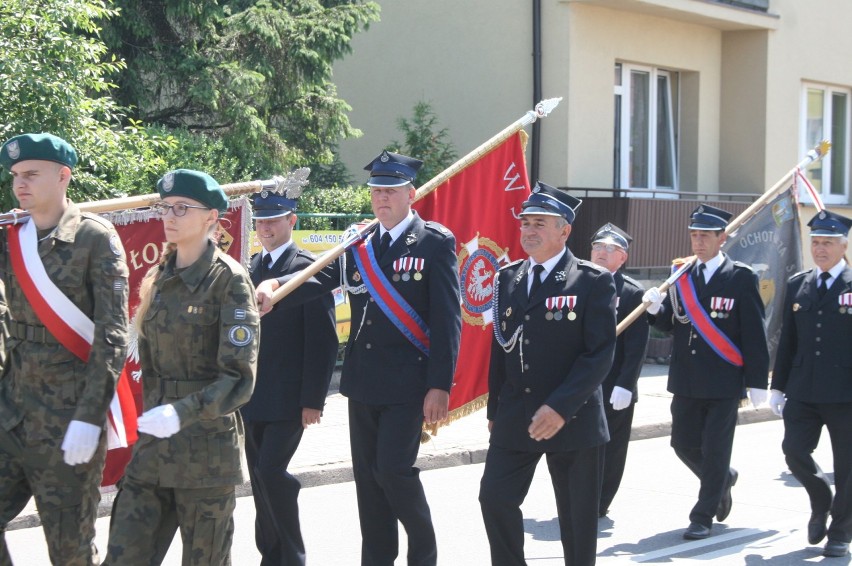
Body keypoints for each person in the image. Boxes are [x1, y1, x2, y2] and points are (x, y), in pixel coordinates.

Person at [255, 151, 462, 566]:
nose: (382, 198)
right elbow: (322, 278)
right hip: (363, 381)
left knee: (393, 472)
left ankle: (423, 555)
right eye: (376, 191)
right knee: (368, 482)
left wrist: (440, 384)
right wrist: (275, 285)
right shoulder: (360, 242)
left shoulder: (433, 243)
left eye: (390, 190)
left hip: (409, 384)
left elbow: (447, 320)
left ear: (411, 193)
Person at [104, 169, 258, 564]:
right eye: (165, 207)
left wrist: (180, 412)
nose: (169, 216)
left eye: (182, 208)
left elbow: (238, 379)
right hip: (154, 453)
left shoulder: (228, 281)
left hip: (204, 455)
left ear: (211, 217)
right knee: (123, 556)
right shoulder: (159, 276)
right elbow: (151, 366)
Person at [0, 133, 129, 565]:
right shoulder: (11, 236)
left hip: (67, 421)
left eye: (32, 174)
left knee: (69, 550)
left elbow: (112, 337)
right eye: (16, 175)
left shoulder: (95, 238)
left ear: (63, 176)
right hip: (12, 415)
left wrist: (89, 418)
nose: (20, 183)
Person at [479, 182, 616, 566]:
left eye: (540, 223)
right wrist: (494, 410)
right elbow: (500, 348)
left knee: (576, 522)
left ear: (565, 231)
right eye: (525, 223)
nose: (529, 231)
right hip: (516, 414)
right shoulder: (508, 278)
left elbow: (599, 355)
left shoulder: (591, 281)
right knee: (495, 498)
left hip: (572, 419)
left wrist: (559, 407)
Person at [643, 204, 769, 540]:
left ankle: (702, 515)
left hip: (724, 380)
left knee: (715, 449)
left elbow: (754, 333)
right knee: (683, 444)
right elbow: (672, 323)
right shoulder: (681, 275)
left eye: (705, 236)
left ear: (721, 238)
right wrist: (656, 310)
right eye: (694, 236)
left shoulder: (741, 277)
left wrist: (758, 381)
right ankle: (722, 479)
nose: (698, 243)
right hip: (686, 378)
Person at [242, 181, 338, 565]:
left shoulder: (305, 268)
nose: (266, 229)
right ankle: (271, 555)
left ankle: (292, 556)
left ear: (291, 221)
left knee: (272, 473)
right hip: (251, 397)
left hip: (288, 399)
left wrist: (313, 400)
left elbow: (324, 340)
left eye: (274, 221)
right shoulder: (251, 267)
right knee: (259, 482)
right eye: (261, 222)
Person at [769, 210, 852, 558]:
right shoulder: (798, 284)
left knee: (847, 467)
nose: (820, 249)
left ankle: (840, 533)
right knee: (794, 451)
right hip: (803, 388)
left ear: (843, 246)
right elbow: (788, 339)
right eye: (815, 242)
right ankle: (821, 500)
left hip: (846, 393)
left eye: (828, 243)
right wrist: (777, 385)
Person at [589, 223, 649, 518]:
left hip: (615, 384)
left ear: (622, 258)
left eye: (609, 249)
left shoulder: (630, 293)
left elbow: (637, 346)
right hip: (584, 381)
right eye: (598, 247)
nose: (601, 252)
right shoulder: (579, 283)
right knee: (583, 444)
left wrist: (627, 383)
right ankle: (581, 493)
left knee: (611, 447)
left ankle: (600, 501)